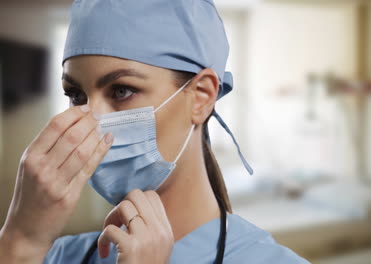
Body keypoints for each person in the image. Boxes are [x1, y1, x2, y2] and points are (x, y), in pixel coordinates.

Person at [0, 0, 311, 263]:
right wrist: (20, 239)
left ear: (201, 97)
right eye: (77, 95)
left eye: (121, 90)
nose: (91, 121)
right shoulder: (58, 255)